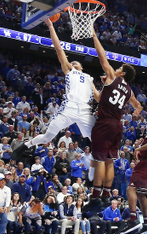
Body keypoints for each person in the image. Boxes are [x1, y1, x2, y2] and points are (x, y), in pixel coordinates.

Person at [11, 19, 96, 161]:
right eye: (72, 61)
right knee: (47, 137)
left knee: (97, 137)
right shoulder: (69, 70)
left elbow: (97, 96)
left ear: (82, 67)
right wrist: (50, 26)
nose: (73, 62)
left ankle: (100, 160)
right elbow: (58, 48)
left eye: (77, 62)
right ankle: (26, 145)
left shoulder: (88, 77)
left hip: (85, 111)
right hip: (69, 108)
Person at [84, 29, 142, 210]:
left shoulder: (111, 77)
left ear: (122, 73)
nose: (115, 69)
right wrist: (136, 113)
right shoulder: (130, 91)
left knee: (100, 159)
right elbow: (137, 106)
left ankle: (95, 194)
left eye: (119, 69)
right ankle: (107, 193)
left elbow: (102, 57)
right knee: (109, 160)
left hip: (105, 123)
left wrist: (94, 36)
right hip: (117, 125)